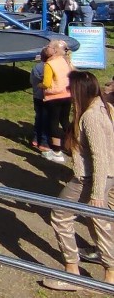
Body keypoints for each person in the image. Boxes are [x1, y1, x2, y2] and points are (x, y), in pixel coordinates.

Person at [45, 71, 114, 291]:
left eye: (70, 88)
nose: (68, 92)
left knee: (60, 214)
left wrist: (96, 193)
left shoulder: (92, 116)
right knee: (100, 222)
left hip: (91, 178)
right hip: (104, 177)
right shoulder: (102, 107)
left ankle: (72, 274)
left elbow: (100, 156)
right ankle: (110, 274)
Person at [40, 41, 73, 163]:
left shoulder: (50, 64)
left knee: (53, 123)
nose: (46, 47)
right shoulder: (64, 61)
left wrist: (40, 85)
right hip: (67, 95)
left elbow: (47, 83)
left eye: (48, 46)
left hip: (54, 97)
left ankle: (57, 151)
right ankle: (74, 144)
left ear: (53, 50)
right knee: (65, 120)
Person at [29, 49, 50, 152]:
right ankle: (44, 141)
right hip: (48, 97)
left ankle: (35, 138)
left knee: (38, 117)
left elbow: (31, 81)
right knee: (46, 119)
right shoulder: (50, 68)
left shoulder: (36, 68)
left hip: (37, 96)